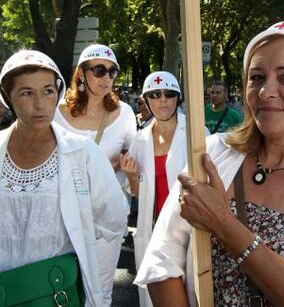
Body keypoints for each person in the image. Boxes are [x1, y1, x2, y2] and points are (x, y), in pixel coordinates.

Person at [135, 20, 284, 306]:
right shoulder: (211, 155)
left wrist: (224, 224)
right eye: (257, 77)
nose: (265, 91)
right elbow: (162, 260)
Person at [0, 50, 128, 306]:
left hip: (57, 293)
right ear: (7, 97)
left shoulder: (83, 153)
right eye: (26, 93)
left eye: (48, 91)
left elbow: (113, 219)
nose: (40, 103)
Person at [54, 43, 137, 306]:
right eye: (99, 70)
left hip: (105, 218)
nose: (107, 78)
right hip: (63, 217)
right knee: (64, 290)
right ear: (81, 73)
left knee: (100, 294)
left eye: (113, 72)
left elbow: (132, 158)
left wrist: (121, 166)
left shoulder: (124, 113)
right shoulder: (57, 113)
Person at [119, 71, 208, 307]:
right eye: (155, 95)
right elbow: (141, 194)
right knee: (154, 297)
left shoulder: (196, 134)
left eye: (169, 94)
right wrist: (129, 174)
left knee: (192, 292)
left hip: (188, 227)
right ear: (146, 100)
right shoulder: (140, 140)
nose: (163, 101)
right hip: (153, 230)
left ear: (178, 98)